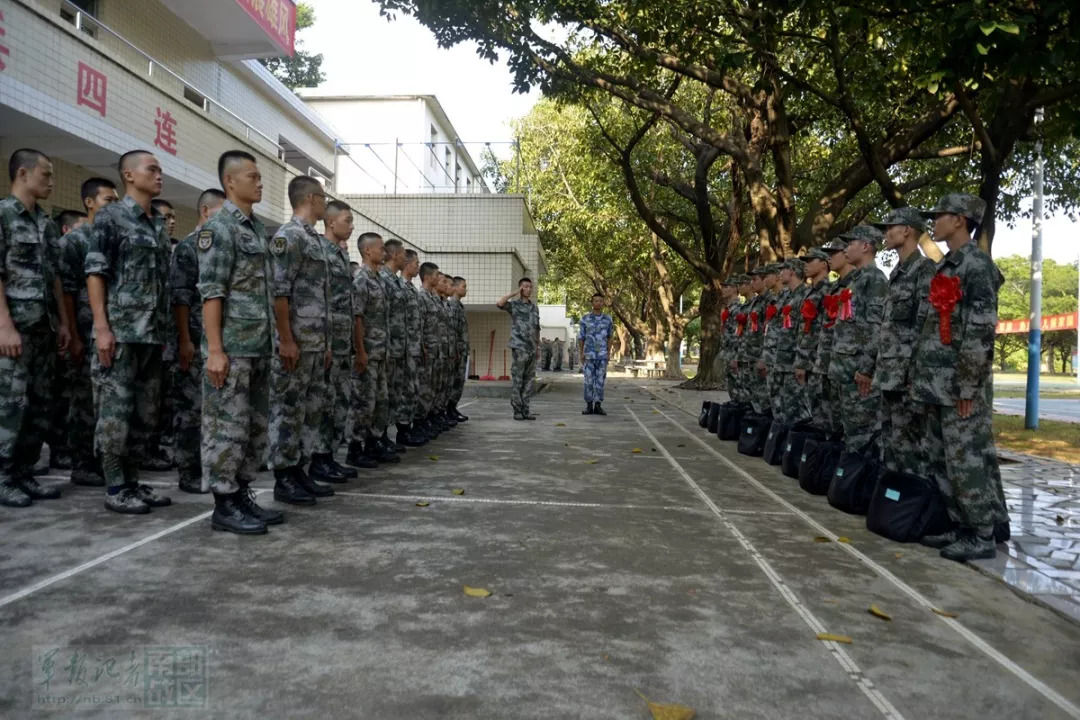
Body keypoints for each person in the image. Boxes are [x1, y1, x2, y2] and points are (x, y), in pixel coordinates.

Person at [912, 193, 1009, 562]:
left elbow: (981, 330)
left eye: (941, 215)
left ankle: (981, 532)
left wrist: (968, 385)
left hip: (959, 385)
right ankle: (960, 524)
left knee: (967, 459)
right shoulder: (947, 265)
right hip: (936, 383)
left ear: (960, 220)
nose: (934, 221)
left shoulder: (976, 266)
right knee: (942, 459)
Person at [198, 150, 282, 533]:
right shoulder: (220, 229)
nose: (260, 182)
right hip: (232, 348)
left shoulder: (256, 229)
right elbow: (212, 292)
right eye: (252, 176)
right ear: (230, 182)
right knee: (226, 427)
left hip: (259, 345)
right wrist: (215, 350)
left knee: (253, 427)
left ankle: (242, 493)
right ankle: (224, 504)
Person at [85, 150, 172, 514]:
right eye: (151, 169)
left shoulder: (156, 223)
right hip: (121, 333)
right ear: (129, 175)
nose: (159, 175)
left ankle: (133, 480)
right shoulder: (112, 217)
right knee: (115, 413)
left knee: (144, 414)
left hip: (151, 335)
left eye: (160, 169)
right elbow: (95, 273)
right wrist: (102, 328)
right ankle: (115, 485)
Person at [0, 149, 72, 507]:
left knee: (40, 404)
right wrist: (4, 326)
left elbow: (54, 276)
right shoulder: (3, 216)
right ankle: (3, 476)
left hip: (44, 328)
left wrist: (62, 322)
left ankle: (24, 473)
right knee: (10, 405)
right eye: (46, 175)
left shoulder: (44, 222)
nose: (51, 182)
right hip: (15, 329)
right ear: (23, 174)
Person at [267, 176, 342, 501]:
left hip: (314, 344)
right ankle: (284, 478)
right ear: (312, 198)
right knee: (288, 410)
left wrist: (324, 344)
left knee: (309, 412)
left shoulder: (314, 241)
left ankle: (300, 470)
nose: (326, 203)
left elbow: (321, 298)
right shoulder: (290, 237)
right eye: (323, 197)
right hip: (294, 344)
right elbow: (279, 293)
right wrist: (286, 339)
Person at [58, 179, 119, 488]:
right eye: (108, 200)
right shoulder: (75, 241)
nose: (114, 205)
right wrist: (74, 333)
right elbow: (66, 291)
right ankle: (82, 462)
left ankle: (105, 460)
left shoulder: (114, 237)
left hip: (111, 331)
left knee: (107, 402)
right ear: (90, 203)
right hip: (85, 329)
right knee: (83, 399)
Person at [870, 207, 936, 477]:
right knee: (891, 444)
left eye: (890, 227)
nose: (886, 233)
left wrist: (916, 374)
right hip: (889, 374)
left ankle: (909, 507)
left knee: (912, 447)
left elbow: (926, 327)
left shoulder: (925, 271)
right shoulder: (896, 273)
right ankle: (893, 505)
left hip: (908, 376)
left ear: (907, 230)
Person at [169, 188, 224, 494]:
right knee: (190, 408)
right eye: (221, 213)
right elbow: (180, 297)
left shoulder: (221, 246)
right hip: (194, 337)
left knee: (213, 409)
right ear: (205, 212)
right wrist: (185, 340)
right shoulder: (189, 248)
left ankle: (208, 466)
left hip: (216, 340)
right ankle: (188, 469)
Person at [827, 224, 888, 454]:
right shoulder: (856, 280)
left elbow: (875, 326)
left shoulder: (875, 279)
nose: (845, 250)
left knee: (862, 435)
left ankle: (860, 483)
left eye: (850, 244)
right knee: (850, 432)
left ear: (865, 246)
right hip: (845, 370)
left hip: (858, 373)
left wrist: (865, 367)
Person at [321, 201, 368, 470]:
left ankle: (327, 458)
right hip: (326, 343)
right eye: (347, 220)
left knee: (338, 404)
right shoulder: (322, 252)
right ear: (331, 222)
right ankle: (319, 460)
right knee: (325, 405)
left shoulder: (338, 254)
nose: (351, 226)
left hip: (341, 345)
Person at [348, 232, 398, 465]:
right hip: (367, 353)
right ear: (367, 250)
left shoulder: (377, 279)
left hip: (380, 353)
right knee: (363, 403)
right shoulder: (362, 279)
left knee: (380, 401)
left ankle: (372, 442)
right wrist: (360, 351)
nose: (384, 252)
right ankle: (355, 449)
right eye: (380, 248)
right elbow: (357, 317)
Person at [380, 239, 423, 447]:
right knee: (386, 394)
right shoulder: (384, 280)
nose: (407, 259)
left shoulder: (398, 283)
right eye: (405, 255)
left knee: (400, 392)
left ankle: (394, 434)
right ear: (396, 255)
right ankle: (379, 438)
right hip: (388, 348)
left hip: (404, 348)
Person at [793, 248, 833, 431]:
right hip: (808, 360)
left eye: (811, 261)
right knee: (815, 413)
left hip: (819, 361)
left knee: (825, 414)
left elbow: (825, 331)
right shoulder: (811, 292)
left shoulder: (829, 291)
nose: (806, 265)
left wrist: (812, 362)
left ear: (824, 264)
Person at [496, 277, 540, 420]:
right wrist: (514, 293)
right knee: (518, 380)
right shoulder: (514, 305)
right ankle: (517, 410)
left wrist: (538, 347)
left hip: (532, 348)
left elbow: (536, 328)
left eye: (530, 287)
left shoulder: (534, 307)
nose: (528, 289)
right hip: (519, 347)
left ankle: (526, 409)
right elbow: (500, 303)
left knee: (529, 381)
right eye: (525, 287)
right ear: (521, 288)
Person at [773, 259, 810, 425]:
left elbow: (805, 331)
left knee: (798, 410)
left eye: (783, 270)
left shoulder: (804, 295)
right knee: (785, 407)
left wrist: (801, 361)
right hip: (783, 359)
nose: (780, 274)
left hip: (795, 360)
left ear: (793, 272)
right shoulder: (789, 296)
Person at [401, 250, 430, 443]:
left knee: (413, 390)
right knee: (403, 392)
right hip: (400, 349)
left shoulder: (411, 290)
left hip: (413, 348)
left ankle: (409, 428)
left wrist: (420, 345)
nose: (418, 266)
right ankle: (402, 431)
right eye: (416, 263)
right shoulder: (399, 287)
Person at [578, 293, 614, 415]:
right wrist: (581, 353)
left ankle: (598, 405)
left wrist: (608, 352)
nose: (598, 303)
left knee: (600, 381)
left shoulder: (608, 319)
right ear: (592, 303)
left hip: (602, 356)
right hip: (589, 355)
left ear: (603, 303)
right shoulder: (585, 319)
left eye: (600, 301)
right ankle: (589, 405)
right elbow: (581, 338)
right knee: (588, 380)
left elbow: (610, 337)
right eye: (595, 301)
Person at [448, 276, 470, 422]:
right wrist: (455, 350)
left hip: (461, 350)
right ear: (455, 288)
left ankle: (452, 409)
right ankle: (449, 409)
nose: (465, 289)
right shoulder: (453, 306)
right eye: (463, 286)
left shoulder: (459, 306)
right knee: (453, 381)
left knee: (459, 381)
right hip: (456, 351)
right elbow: (452, 330)